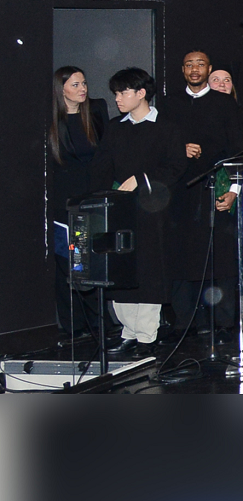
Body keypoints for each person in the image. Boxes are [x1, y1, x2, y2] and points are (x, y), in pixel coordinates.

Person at [88, 68, 187, 353]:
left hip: (153, 210)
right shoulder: (115, 127)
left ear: (141, 93)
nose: (117, 99)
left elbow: (176, 167)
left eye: (123, 93)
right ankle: (128, 332)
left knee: (149, 271)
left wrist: (141, 179)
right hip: (120, 209)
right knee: (122, 268)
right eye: (116, 93)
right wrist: (97, 200)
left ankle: (146, 335)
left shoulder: (167, 127)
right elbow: (101, 167)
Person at [165, 50, 243, 333]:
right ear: (183, 70)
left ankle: (223, 324)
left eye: (200, 64)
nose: (194, 69)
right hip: (179, 195)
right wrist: (179, 149)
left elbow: (238, 150)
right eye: (189, 64)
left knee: (220, 261)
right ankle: (184, 324)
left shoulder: (225, 103)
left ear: (208, 69)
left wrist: (234, 190)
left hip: (216, 188)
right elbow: (157, 147)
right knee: (181, 259)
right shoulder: (169, 104)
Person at [48, 67, 109, 342]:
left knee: (93, 260)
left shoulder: (95, 112)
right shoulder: (50, 120)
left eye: (84, 83)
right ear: (61, 89)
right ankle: (73, 324)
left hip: (92, 198)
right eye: (75, 85)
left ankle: (100, 321)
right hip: (63, 201)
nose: (82, 88)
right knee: (68, 262)